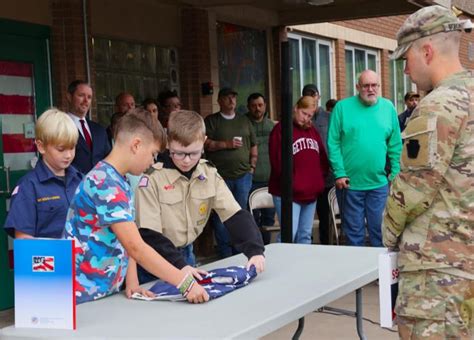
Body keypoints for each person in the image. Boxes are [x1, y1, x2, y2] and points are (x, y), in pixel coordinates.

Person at [384, 5, 473, 339]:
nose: (405, 69)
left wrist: (387, 234)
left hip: (437, 276)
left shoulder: (437, 105)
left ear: (427, 51)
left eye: (405, 58)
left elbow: (411, 191)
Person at [64, 108, 209, 304]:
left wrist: (132, 281)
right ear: (136, 145)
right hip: (82, 297)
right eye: (153, 153)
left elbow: (128, 239)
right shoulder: (105, 183)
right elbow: (136, 247)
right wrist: (185, 284)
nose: (153, 161)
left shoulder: (119, 180)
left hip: (104, 292)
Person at [135, 110, 265, 277]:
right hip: (155, 261)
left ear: (204, 142)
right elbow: (149, 234)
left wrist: (254, 251)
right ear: (167, 143)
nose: (187, 160)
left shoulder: (209, 173)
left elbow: (234, 215)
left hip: (187, 256)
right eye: (179, 153)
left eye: (194, 153)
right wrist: (180, 267)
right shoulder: (151, 179)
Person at [327, 70, 402, 247]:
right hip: (350, 185)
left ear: (379, 86)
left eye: (374, 85)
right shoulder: (342, 108)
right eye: (366, 86)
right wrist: (339, 173)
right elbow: (333, 142)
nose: (371, 89)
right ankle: (359, 273)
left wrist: (396, 172)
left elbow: (395, 143)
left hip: (379, 184)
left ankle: (380, 274)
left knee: (380, 232)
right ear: (357, 87)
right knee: (354, 235)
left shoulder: (388, 108)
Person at [3, 109, 82, 239]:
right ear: (41, 147)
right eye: (61, 149)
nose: (68, 155)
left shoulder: (81, 181)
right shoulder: (28, 187)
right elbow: (24, 240)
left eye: (72, 147)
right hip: (49, 257)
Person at [204, 87, 258, 258]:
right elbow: (205, 144)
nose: (231, 101)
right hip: (220, 177)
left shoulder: (244, 121)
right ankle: (224, 253)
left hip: (243, 176)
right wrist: (226, 144)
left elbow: (254, 145)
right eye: (227, 98)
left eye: (234, 97)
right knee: (221, 216)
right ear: (219, 101)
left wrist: (252, 168)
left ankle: (239, 252)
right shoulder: (212, 121)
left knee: (239, 215)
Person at [268, 96, 329, 244]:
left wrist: (317, 182)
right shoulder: (281, 130)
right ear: (296, 108)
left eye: (310, 116)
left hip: (310, 193)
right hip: (289, 194)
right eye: (304, 113)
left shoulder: (312, 131)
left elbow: (322, 158)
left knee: (305, 235)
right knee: (289, 234)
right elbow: (277, 164)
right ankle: (281, 265)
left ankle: (304, 267)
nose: (306, 118)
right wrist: (294, 184)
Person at [302, 84, 334, 245]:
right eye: (306, 95)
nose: (310, 99)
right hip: (306, 176)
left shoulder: (328, 117)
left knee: (324, 214)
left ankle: (326, 244)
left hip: (326, 175)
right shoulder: (300, 119)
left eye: (312, 95)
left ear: (318, 96)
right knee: (304, 219)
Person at [245, 93, 275, 244]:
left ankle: (267, 247)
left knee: (269, 220)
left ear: (265, 105)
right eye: (253, 106)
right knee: (252, 220)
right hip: (252, 180)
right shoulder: (244, 125)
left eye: (260, 105)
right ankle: (257, 248)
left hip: (271, 180)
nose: (257, 108)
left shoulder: (272, 126)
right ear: (248, 107)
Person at [67, 80, 111, 174]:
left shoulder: (99, 130)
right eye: (81, 95)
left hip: (99, 186)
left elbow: (109, 159)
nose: (86, 101)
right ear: (69, 97)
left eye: (89, 97)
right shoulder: (61, 126)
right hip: (72, 185)